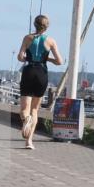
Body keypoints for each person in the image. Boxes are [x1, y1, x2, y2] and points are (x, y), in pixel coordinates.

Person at [17, 14, 63, 150]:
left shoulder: (27, 38)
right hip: (42, 73)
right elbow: (59, 61)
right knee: (35, 110)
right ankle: (29, 142)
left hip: (29, 71)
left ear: (34, 25)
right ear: (47, 27)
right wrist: (47, 59)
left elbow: (20, 57)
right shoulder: (51, 41)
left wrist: (27, 57)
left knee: (24, 109)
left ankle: (26, 120)